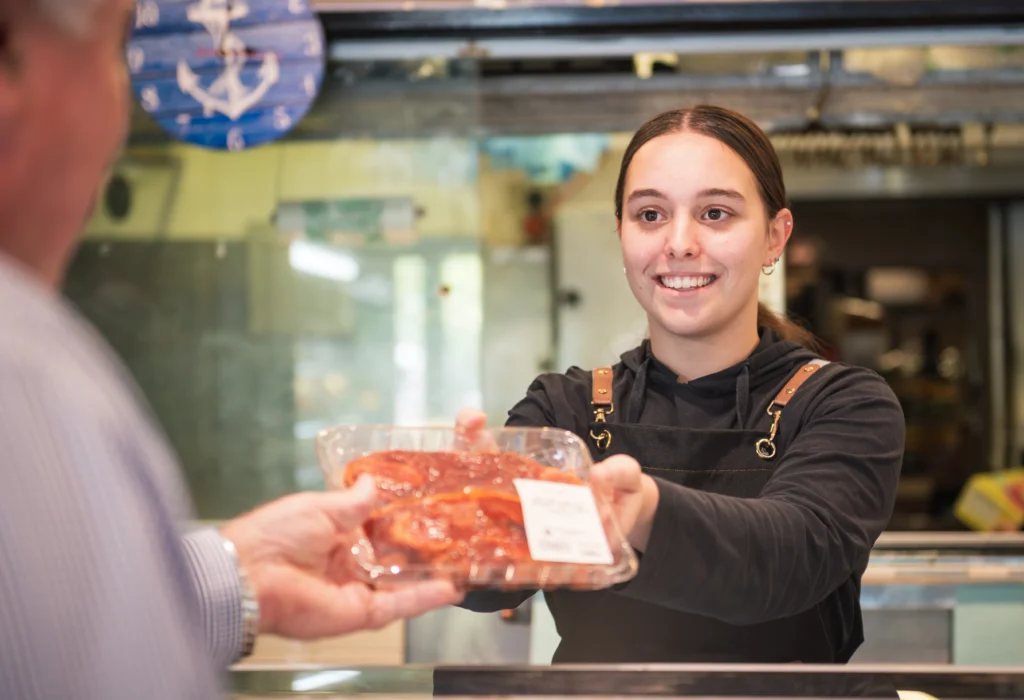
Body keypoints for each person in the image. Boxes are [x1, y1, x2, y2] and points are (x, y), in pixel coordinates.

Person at [0, 1, 461, 698]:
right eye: (113, 54)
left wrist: (239, 572)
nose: (117, 121)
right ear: (13, 87)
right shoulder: (25, 374)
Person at [457, 106, 905, 664]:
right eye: (649, 215)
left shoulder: (843, 405)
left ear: (775, 236)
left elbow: (787, 559)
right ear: (620, 233)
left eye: (715, 213)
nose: (680, 242)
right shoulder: (562, 409)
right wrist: (463, 512)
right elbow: (487, 584)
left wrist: (644, 512)